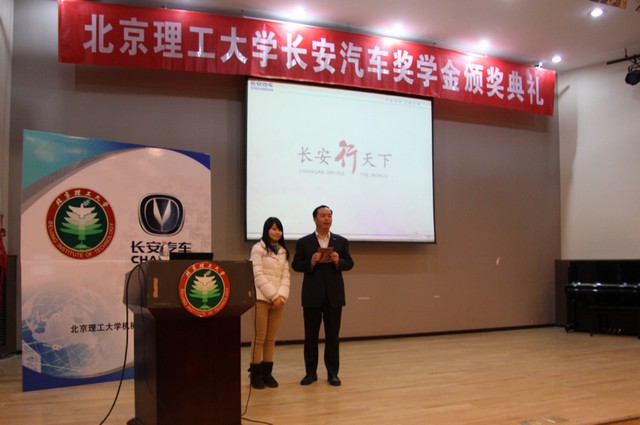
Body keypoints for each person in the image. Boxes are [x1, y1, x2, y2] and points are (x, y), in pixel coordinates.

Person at [292, 205, 354, 386]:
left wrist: (339, 261)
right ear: (315, 219)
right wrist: (310, 262)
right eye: (323, 215)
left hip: (334, 296)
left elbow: (350, 263)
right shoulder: (304, 242)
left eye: (329, 215)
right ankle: (310, 373)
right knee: (310, 337)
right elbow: (295, 265)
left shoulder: (341, 241)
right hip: (312, 295)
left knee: (333, 337)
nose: (327, 218)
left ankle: (333, 373)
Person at [249, 217, 291, 389]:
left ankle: (267, 373)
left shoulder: (283, 251)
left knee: (271, 339)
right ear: (266, 230)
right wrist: (273, 296)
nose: (277, 232)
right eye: (273, 229)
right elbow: (257, 275)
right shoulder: (258, 248)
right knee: (259, 338)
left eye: (279, 229)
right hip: (261, 298)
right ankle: (255, 374)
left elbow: (285, 277)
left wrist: (281, 297)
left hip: (278, 301)